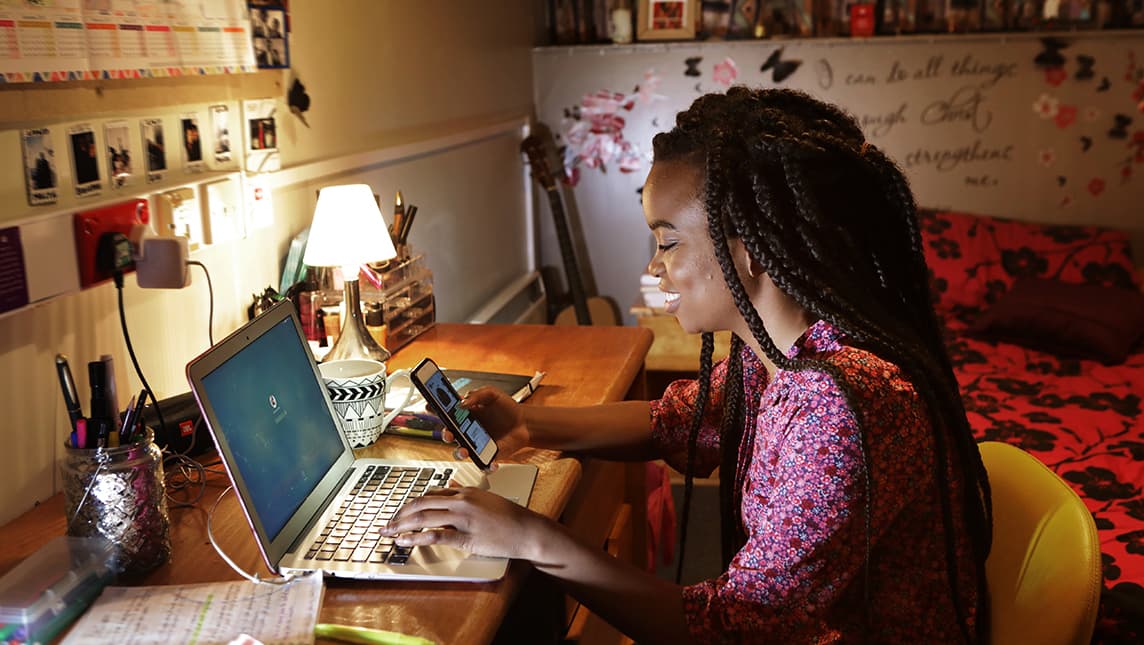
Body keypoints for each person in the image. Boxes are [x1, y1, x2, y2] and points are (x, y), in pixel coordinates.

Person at [383, 87, 993, 643]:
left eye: (668, 242)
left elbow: (731, 632)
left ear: (751, 249)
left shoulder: (839, 404)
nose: (655, 268)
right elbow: (683, 420)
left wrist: (527, 536)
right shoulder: (783, 354)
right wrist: (530, 426)